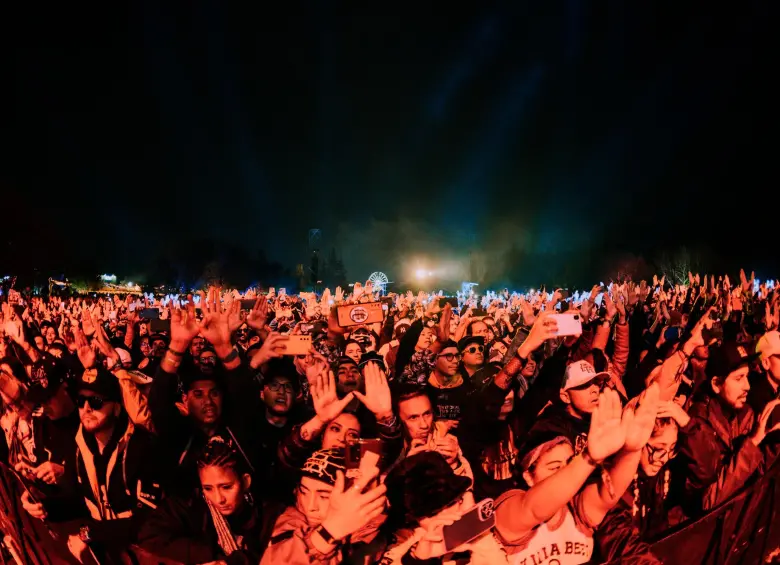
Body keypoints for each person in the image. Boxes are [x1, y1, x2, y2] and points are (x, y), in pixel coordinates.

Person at [493, 385, 660, 565]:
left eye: (569, 463)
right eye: (554, 467)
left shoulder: (575, 509)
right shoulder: (509, 507)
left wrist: (631, 451)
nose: (566, 472)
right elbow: (532, 508)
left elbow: (606, 496)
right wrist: (587, 459)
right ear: (528, 476)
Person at [677, 341, 780, 516]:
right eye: (739, 378)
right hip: (701, 526)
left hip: (735, 522)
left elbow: (755, 474)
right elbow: (709, 499)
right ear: (716, 384)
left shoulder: (744, 413)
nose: (747, 386)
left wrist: (774, 439)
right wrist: (753, 442)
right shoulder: (698, 425)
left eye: (747, 376)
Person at [138, 439, 282, 564]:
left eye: (226, 487)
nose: (219, 499)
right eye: (208, 488)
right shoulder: (191, 504)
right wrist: (210, 554)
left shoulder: (268, 513)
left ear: (245, 482)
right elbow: (149, 536)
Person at [262, 448, 387, 564]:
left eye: (324, 496)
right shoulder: (289, 523)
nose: (310, 506)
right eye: (304, 492)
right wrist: (331, 530)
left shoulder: (372, 534)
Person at [382, 451, 507, 564]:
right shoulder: (402, 544)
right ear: (414, 519)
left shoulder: (480, 532)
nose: (446, 516)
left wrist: (478, 538)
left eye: (451, 504)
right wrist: (418, 559)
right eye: (433, 514)